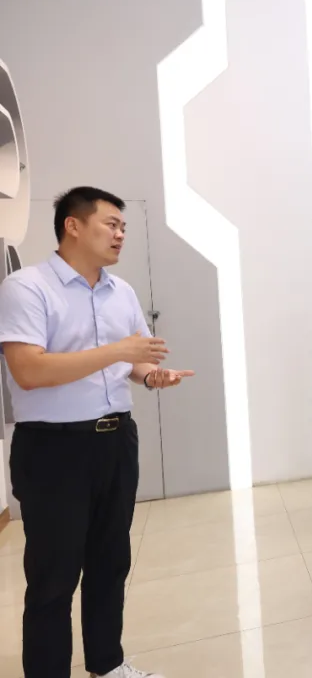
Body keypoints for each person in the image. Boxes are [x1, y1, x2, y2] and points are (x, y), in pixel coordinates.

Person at [0, 187, 194, 678]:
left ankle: (107, 664)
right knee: (53, 576)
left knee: (110, 562)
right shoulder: (27, 287)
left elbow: (133, 362)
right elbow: (29, 370)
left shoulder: (120, 292)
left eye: (124, 227)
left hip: (115, 441)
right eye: (111, 224)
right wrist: (120, 352)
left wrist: (151, 374)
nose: (120, 234)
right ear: (73, 225)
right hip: (52, 449)